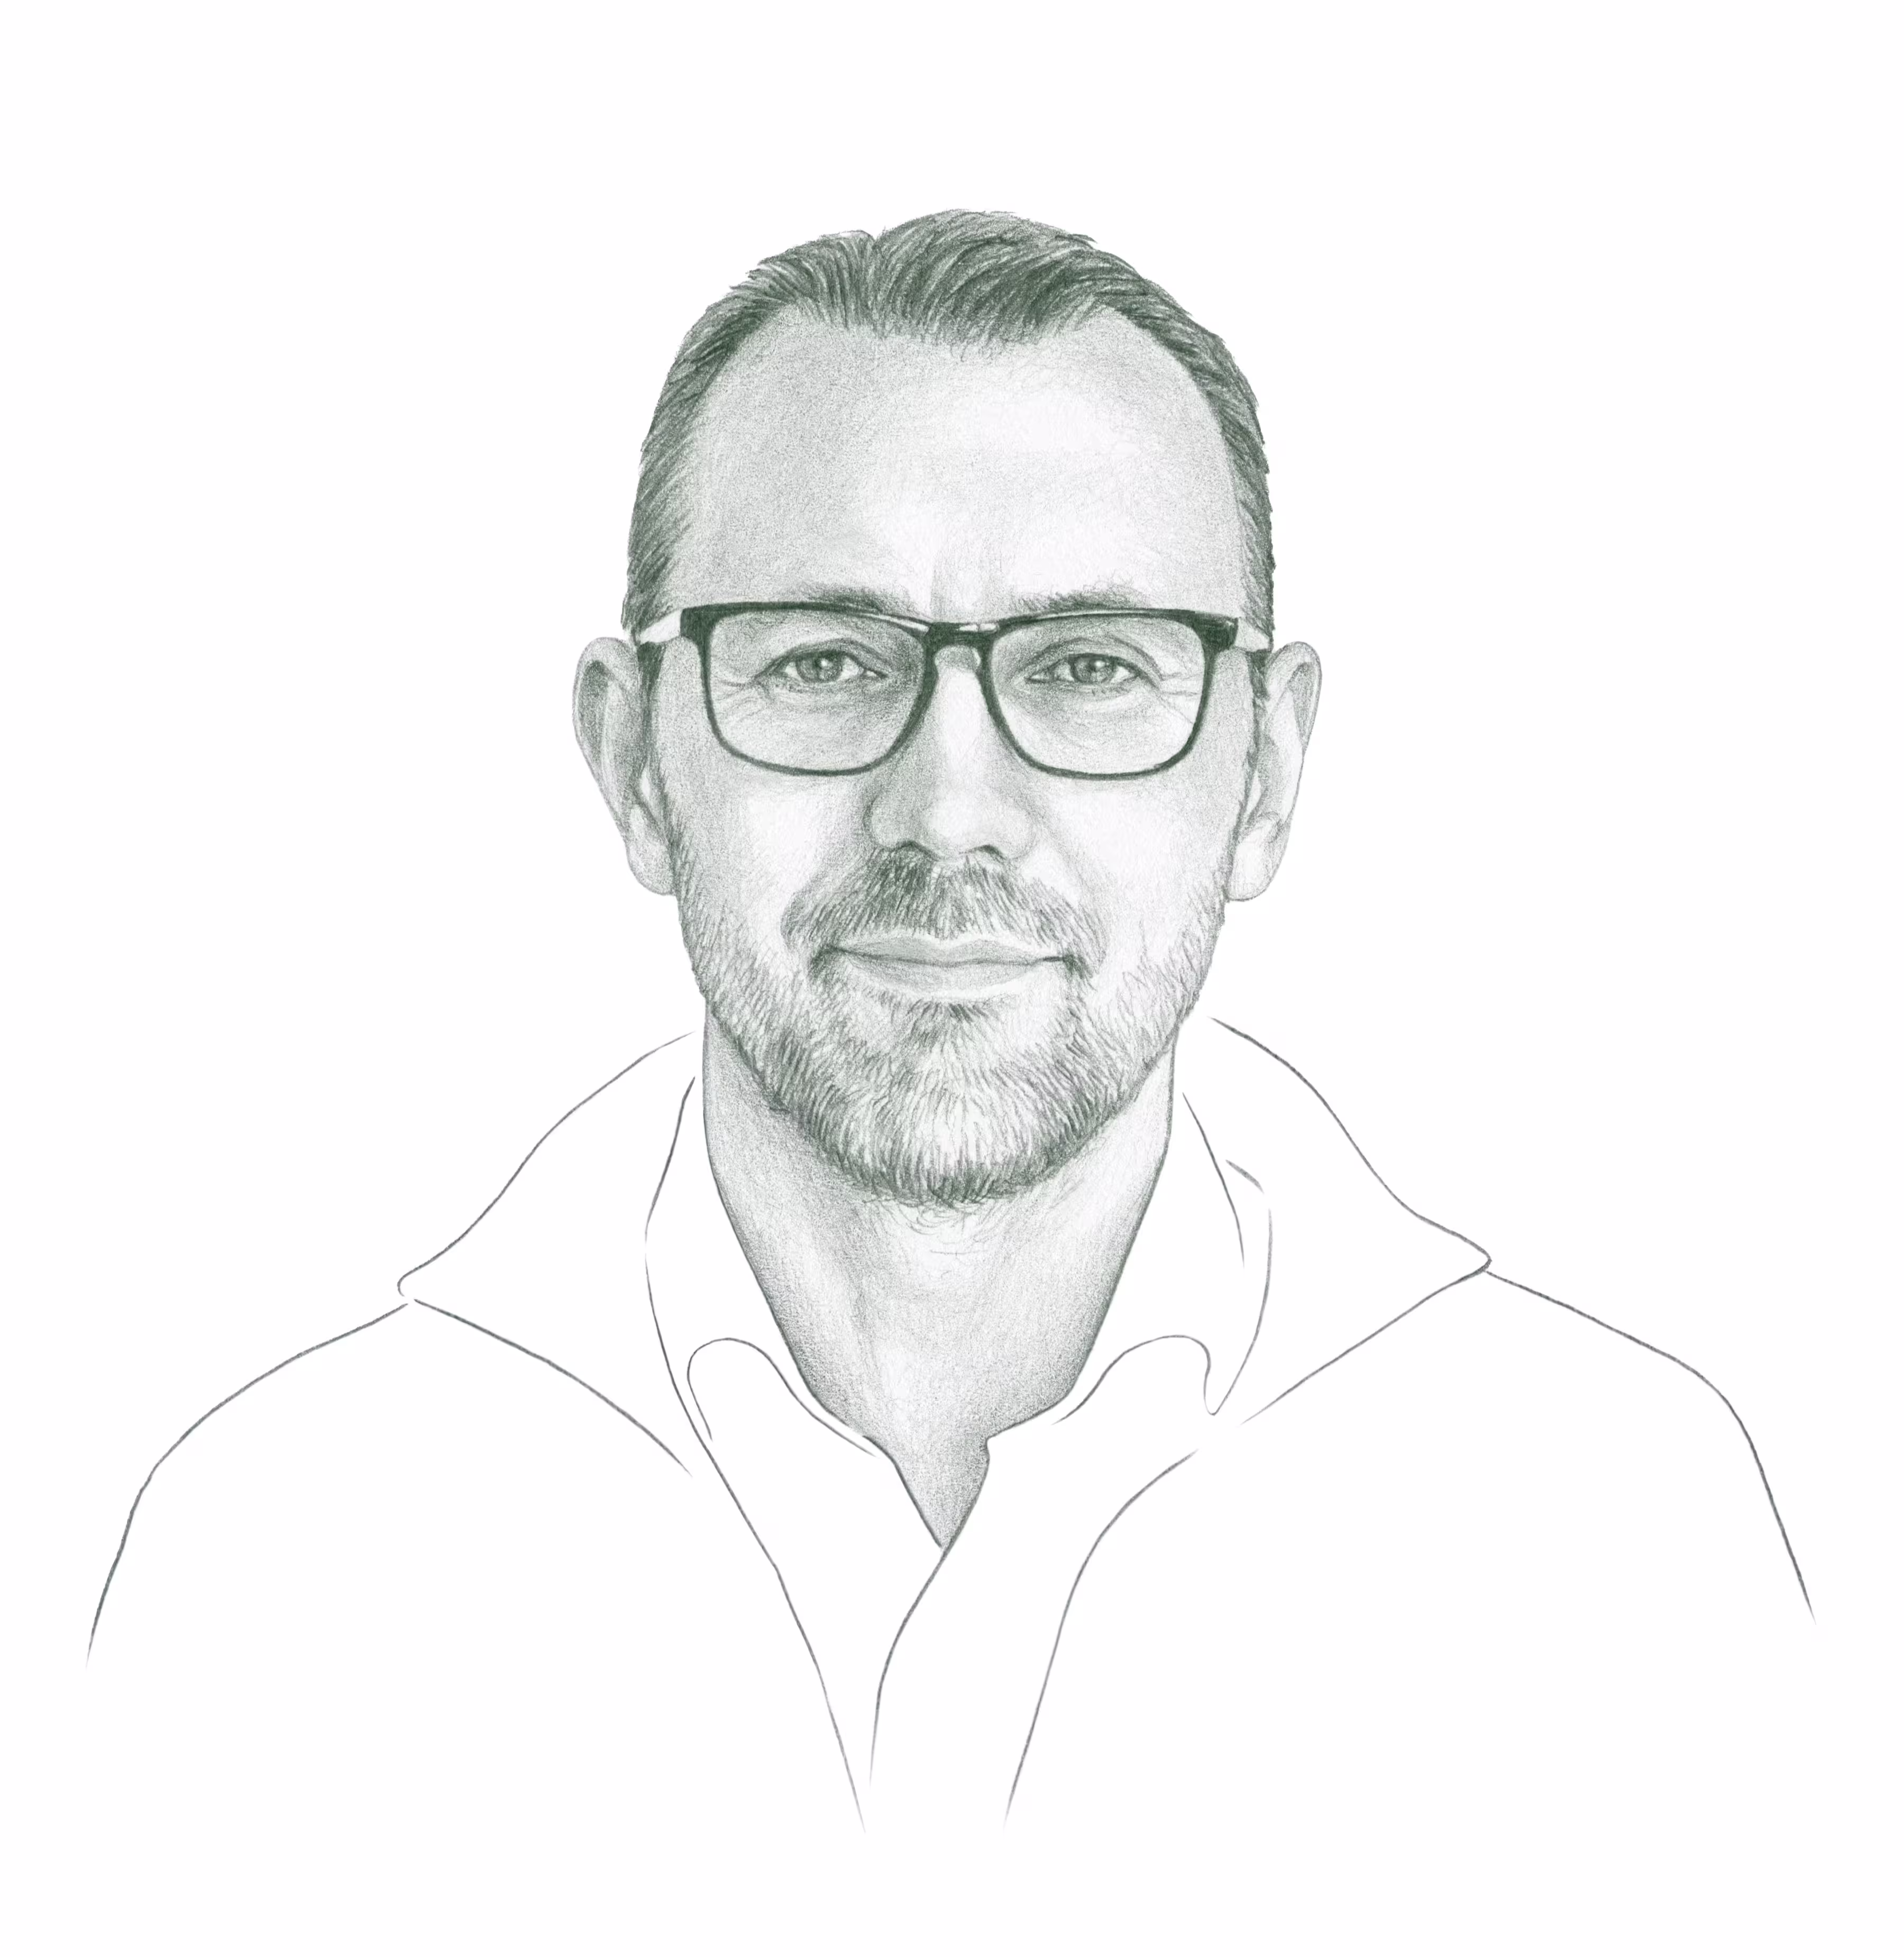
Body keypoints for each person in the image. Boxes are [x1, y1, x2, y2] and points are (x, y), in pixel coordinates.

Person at [86, 212, 1812, 1948]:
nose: (950, 813)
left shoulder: (1617, 1533)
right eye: (823, 662)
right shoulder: (275, 1558)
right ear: (633, 761)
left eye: (1092, 666)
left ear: (1268, 774)